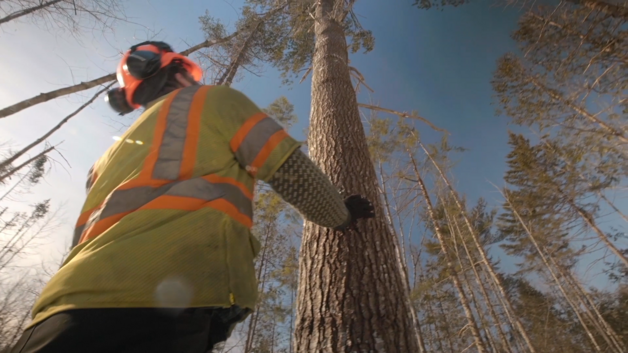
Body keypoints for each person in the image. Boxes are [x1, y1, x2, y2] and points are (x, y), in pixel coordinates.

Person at [7, 41, 375, 353]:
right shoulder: (211, 101)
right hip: (159, 306)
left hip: (57, 311)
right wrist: (340, 216)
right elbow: (289, 170)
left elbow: (80, 239)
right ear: (178, 71)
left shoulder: (104, 161)